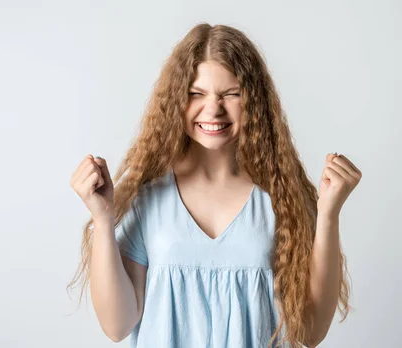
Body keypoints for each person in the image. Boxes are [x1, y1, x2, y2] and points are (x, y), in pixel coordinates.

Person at [68, 23, 362, 348]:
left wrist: (329, 214)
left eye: (231, 93)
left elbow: (311, 331)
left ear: (254, 100)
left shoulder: (282, 200)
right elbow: (117, 326)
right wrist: (103, 217)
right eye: (197, 93)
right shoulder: (148, 196)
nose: (213, 108)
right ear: (177, 98)